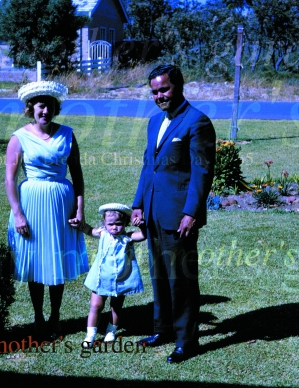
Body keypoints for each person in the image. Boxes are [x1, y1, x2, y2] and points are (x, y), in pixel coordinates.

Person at [131, 64, 216, 363]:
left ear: (178, 86)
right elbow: (148, 167)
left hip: (179, 216)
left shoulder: (197, 122)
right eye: (154, 92)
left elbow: (202, 173)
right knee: (159, 276)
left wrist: (191, 213)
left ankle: (186, 341)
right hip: (154, 212)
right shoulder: (154, 122)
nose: (159, 96)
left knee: (181, 279)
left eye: (164, 89)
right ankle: (163, 329)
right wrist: (138, 204)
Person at [6, 80, 89, 338]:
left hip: (60, 204)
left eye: (50, 107)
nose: (45, 112)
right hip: (31, 204)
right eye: (41, 107)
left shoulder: (67, 134)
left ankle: (55, 316)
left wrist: (80, 209)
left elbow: (77, 174)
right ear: (31, 108)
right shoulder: (19, 138)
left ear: (56, 108)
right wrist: (18, 214)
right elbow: (10, 179)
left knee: (57, 260)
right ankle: (38, 316)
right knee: (35, 261)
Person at [71, 203, 146, 347]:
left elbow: (143, 235)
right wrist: (78, 224)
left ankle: (111, 330)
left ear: (125, 223)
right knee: (95, 305)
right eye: (110, 224)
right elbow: (87, 229)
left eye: (118, 223)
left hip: (121, 279)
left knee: (116, 306)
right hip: (101, 278)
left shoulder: (128, 237)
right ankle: (90, 335)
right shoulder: (103, 234)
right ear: (104, 224)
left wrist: (141, 225)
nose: (114, 227)